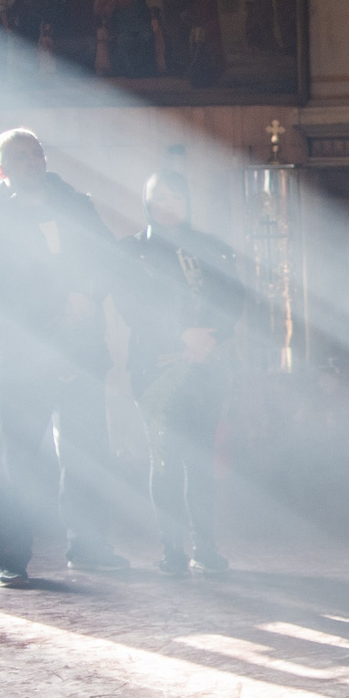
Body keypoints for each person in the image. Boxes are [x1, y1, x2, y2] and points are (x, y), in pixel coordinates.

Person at [0, 129, 129, 586]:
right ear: (1, 170)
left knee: (87, 455)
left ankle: (90, 548)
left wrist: (87, 297)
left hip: (80, 351)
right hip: (22, 359)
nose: (33, 162)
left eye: (37, 154)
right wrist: (59, 308)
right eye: (20, 157)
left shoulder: (76, 204)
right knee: (15, 462)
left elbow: (108, 259)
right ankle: (9, 558)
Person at [118, 171, 242, 575]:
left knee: (201, 461)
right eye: (159, 197)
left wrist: (210, 338)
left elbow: (235, 299)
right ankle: (171, 549)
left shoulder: (212, 249)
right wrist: (181, 334)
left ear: (187, 202)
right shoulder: (133, 251)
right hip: (155, 368)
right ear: (146, 202)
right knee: (165, 460)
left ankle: (205, 547)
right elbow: (131, 306)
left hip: (206, 364)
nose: (168, 205)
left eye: (176, 197)